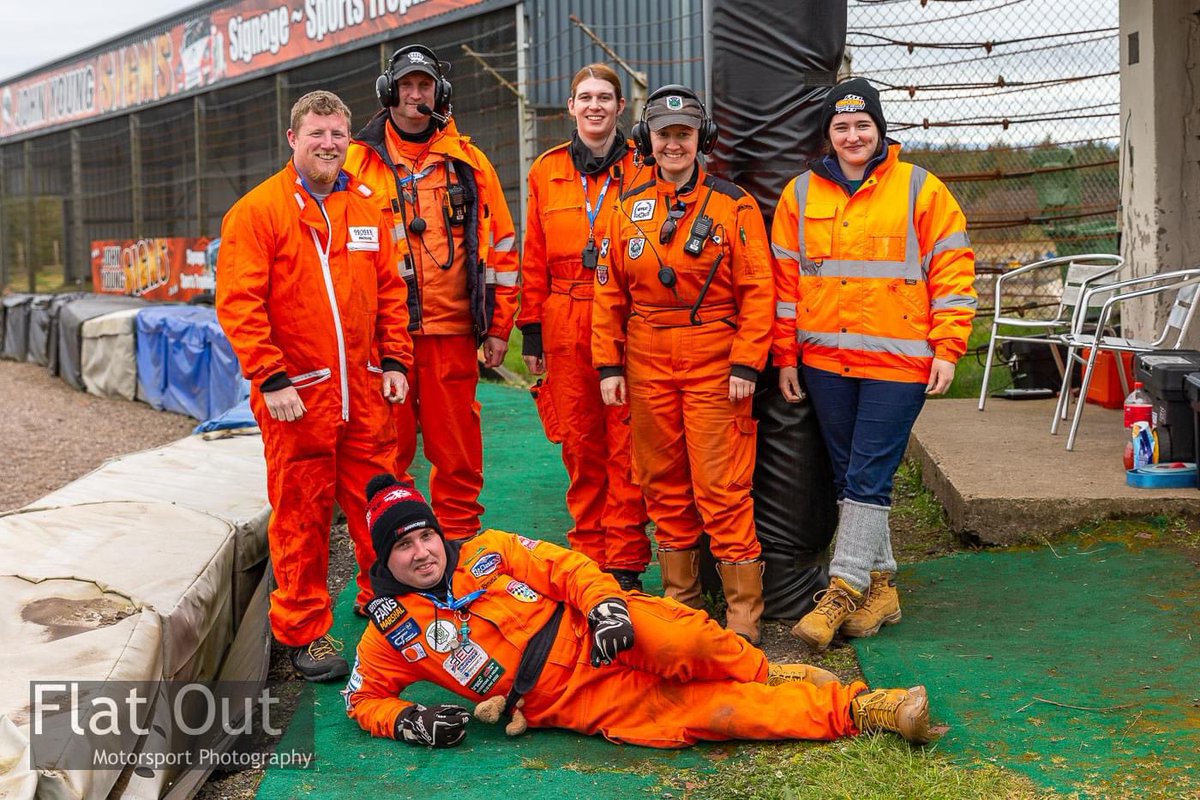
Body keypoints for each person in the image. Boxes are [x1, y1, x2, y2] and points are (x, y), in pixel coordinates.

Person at [343, 473, 932, 749]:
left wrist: (605, 609)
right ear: (383, 559)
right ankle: (866, 709)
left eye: (424, 536)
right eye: (402, 545)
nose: (421, 553)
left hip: (598, 630)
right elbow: (360, 700)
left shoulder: (488, 549)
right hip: (570, 700)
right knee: (713, 714)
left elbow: (567, 568)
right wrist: (407, 720)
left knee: (688, 645)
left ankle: (766, 669)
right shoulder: (388, 632)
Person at [771, 78, 976, 651]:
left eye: (864, 126)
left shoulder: (921, 190)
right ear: (828, 135)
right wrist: (786, 355)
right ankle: (882, 588)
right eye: (842, 127)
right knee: (850, 477)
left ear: (881, 131)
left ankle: (843, 586)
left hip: (898, 363)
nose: (853, 135)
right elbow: (784, 286)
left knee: (868, 475)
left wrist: (948, 345)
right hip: (825, 362)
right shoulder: (800, 195)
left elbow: (954, 273)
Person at [217, 90, 412, 681]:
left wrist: (397, 361)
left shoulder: (367, 207)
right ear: (293, 140)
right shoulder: (259, 212)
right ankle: (304, 630)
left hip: (366, 390)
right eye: (317, 134)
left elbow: (391, 293)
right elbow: (238, 302)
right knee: (301, 516)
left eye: (337, 134)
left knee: (380, 501)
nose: (329, 144)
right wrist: (270, 375)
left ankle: (386, 599)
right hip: (296, 396)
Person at [590, 85, 775, 643]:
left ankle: (743, 612)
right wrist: (609, 367)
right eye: (664, 134)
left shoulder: (733, 205)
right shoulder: (625, 209)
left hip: (715, 358)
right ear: (648, 140)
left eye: (684, 134)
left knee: (720, 485)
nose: (674, 144)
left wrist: (747, 363)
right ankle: (681, 604)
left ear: (702, 139)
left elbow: (758, 290)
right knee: (663, 484)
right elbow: (608, 296)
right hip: (645, 359)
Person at [345, 44, 518, 541]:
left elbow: (502, 247)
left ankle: (461, 545)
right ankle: (392, 551)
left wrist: (499, 326)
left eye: (424, 86)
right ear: (389, 93)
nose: (415, 95)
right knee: (384, 451)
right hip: (386, 340)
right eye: (406, 86)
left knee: (457, 450)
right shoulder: (356, 163)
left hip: (451, 332)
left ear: (438, 92)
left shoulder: (469, 161)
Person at [517, 64, 650, 591]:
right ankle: (590, 558)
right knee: (579, 442)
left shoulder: (645, 166)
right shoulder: (545, 171)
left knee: (626, 442)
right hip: (565, 314)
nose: (595, 106)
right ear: (570, 107)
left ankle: (626, 560)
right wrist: (531, 328)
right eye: (585, 98)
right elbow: (533, 256)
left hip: (626, 313)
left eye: (605, 98)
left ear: (621, 108)